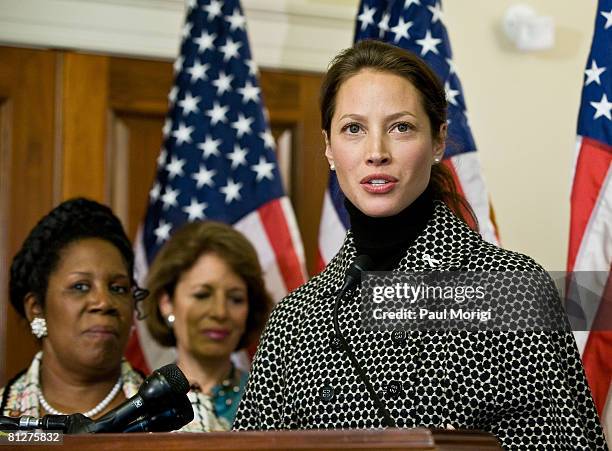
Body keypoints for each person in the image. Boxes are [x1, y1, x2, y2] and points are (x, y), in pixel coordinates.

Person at [233, 40, 608, 449]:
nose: (376, 153)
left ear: (438, 141)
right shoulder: (294, 319)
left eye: (401, 127)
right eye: (353, 128)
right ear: (328, 147)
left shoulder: (512, 289)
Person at [1, 198, 150, 420]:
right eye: (80, 286)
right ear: (36, 309)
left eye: (118, 288)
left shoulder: (190, 419)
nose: (104, 302)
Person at [144, 221, 272, 431]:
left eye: (236, 299)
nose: (219, 312)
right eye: (202, 295)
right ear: (166, 302)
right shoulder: (137, 400)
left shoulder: (270, 403)